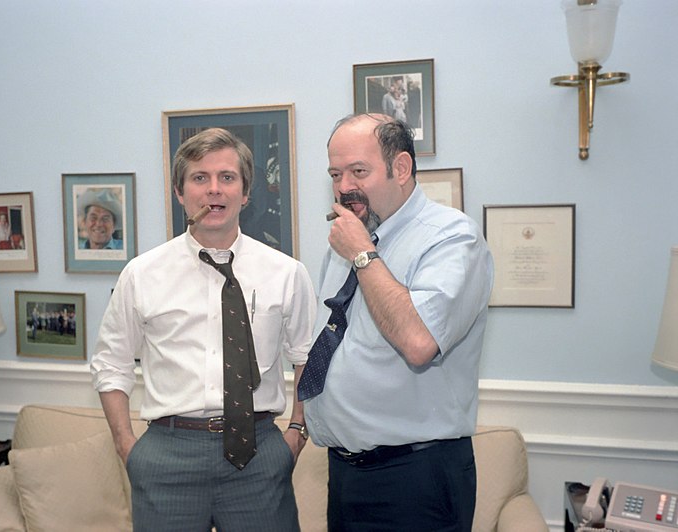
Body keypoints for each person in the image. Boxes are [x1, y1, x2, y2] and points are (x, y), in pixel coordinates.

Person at [90, 127, 316, 532]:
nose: (215, 190)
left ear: (245, 192)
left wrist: (296, 433)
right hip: (167, 454)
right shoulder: (142, 274)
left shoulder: (286, 273)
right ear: (181, 192)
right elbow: (111, 362)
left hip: (260, 453)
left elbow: (306, 359)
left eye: (227, 178)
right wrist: (127, 446)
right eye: (200, 178)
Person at [302, 114, 494, 531]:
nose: (343, 186)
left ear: (401, 168)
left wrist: (362, 254)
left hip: (415, 478)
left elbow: (418, 340)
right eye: (336, 173)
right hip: (345, 473)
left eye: (358, 171)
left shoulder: (451, 238)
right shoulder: (348, 242)